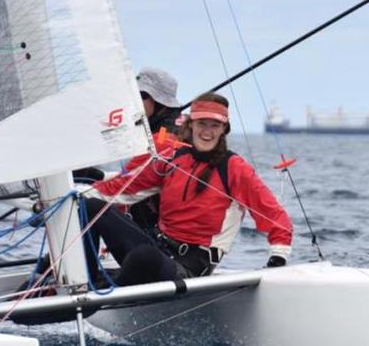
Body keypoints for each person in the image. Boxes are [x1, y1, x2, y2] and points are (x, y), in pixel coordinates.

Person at [82, 92, 291, 286]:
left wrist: (278, 258)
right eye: (202, 123)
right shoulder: (173, 158)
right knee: (89, 207)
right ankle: (85, 286)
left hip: (190, 267)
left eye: (215, 125)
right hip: (158, 247)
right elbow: (125, 189)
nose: (207, 131)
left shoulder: (235, 168)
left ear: (224, 129)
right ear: (191, 125)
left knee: (143, 257)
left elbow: (272, 213)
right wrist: (76, 198)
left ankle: (108, 289)